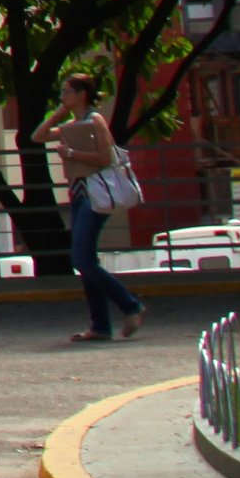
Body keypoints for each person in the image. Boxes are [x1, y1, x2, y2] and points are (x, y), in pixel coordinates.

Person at [48, 74, 148, 343]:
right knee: (86, 260)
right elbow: (38, 135)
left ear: (82, 93)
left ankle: (130, 306)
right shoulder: (73, 124)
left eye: (67, 92)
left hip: (97, 195)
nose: (62, 95)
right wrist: (61, 110)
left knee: (81, 259)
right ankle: (101, 326)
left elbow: (106, 158)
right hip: (80, 196)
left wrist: (71, 155)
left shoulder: (95, 120)